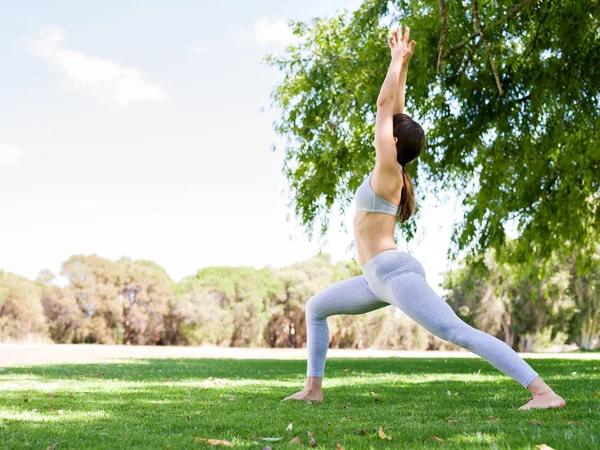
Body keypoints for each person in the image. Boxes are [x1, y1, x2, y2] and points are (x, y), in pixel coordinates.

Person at [283, 26, 566, 410]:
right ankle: (313, 388)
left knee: (455, 330)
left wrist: (394, 61)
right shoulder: (392, 166)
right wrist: (403, 67)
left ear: (392, 142)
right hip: (376, 278)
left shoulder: (388, 172)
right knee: (317, 307)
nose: (379, 131)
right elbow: (394, 110)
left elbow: (385, 109)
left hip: (393, 273)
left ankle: (543, 393)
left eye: (385, 133)